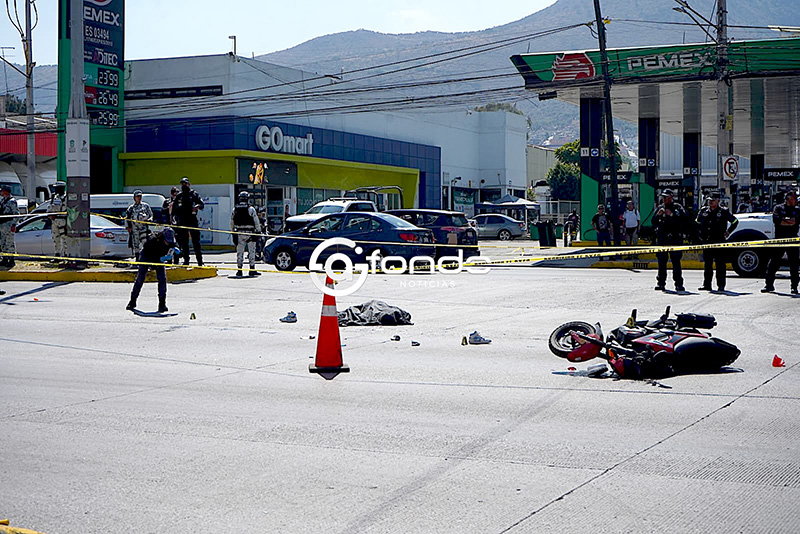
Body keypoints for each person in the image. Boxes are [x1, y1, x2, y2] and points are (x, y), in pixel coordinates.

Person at [126, 228, 180, 313]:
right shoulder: (152, 241)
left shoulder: (171, 242)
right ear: (162, 237)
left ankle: (162, 304)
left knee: (162, 279)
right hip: (147, 257)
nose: (168, 243)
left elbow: (175, 247)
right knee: (140, 278)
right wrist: (160, 259)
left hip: (159, 259)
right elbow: (150, 257)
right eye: (167, 241)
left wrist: (178, 252)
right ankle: (132, 302)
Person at [696, 191, 739, 292]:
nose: (711, 202)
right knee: (708, 265)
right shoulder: (704, 211)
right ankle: (707, 284)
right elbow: (697, 223)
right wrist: (699, 235)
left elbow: (735, 221)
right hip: (707, 241)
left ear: (718, 201)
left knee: (720, 265)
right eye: (709, 200)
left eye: (713, 200)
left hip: (719, 241)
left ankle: (721, 285)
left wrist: (728, 232)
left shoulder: (723, 212)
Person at [762, 189, 800, 295]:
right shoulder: (779, 208)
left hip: (792, 239)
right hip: (779, 239)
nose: (796, 200)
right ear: (788, 199)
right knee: (774, 263)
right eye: (794, 198)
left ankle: (794, 287)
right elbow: (777, 221)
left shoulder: (797, 210)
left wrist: (786, 221)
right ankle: (769, 285)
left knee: (794, 264)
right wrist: (789, 221)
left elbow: (795, 221)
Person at [653, 189, 686, 292]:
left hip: (674, 239)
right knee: (661, 262)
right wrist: (658, 215)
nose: (664, 199)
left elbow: (684, 219)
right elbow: (653, 222)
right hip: (663, 239)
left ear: (671, 197)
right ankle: (661, 283)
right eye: (663, 197)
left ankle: (678, 284)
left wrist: (672, 215)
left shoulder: (677, 207)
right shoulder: (660, 208)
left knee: (676, 262)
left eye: (666, 197)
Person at [172, 177, 205, 266]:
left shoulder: (194, 194)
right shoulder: (179, 196)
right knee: (184, 243)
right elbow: (174, 209)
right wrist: (174, 219)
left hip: (192, 220)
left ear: (189, 184)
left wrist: (197, 206)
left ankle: (200, 262)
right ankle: (186, 261)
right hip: (182, 221)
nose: (184, 185)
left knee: (196, 242)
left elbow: (202, 204)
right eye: (182, 184)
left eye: (185, 184)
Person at [230, 191, 262, 277]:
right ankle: (252, 269)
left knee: (240, 252)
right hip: (250, 232)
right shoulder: (251, 209)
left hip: (239, 233)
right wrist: (258, 231)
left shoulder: (235, 209)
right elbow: (256, 221)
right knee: (252, 251)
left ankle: (239, 270)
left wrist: (233, 232)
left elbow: (232, 222)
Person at [125, 190, 154, 254]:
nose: (139, 198)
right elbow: (127, 218)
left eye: (140, 196)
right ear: (134, 198)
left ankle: (145, 257)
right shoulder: (131, 208)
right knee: (136, 244)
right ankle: (137, 258)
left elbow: (151, 215)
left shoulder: (145, 206)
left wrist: (149, 220)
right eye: (137, 196)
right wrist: (128, 227)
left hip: (143, 228)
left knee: (145, 243)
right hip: (135, 228)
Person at [0, 184, 19, 268]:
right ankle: (5, 258)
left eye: (2, 190)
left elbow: (16, 213)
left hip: (8, 224)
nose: (1, 192)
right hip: (2, 225)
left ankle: (11, 260)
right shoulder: (3, 200)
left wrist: (14, 224)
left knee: (9, 243)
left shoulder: (12, 201)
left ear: (6, 191)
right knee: (2, 243)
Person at [48, 181, 69, 260]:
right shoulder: (54, 197)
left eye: (56, 188)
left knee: (64, 239)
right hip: (55, 220)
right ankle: (57, 255)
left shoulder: (66, 197)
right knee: (56, 239)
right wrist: (50, 215)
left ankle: (66, 256)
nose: (55, 189)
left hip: (63, 220)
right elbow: (49, 207)